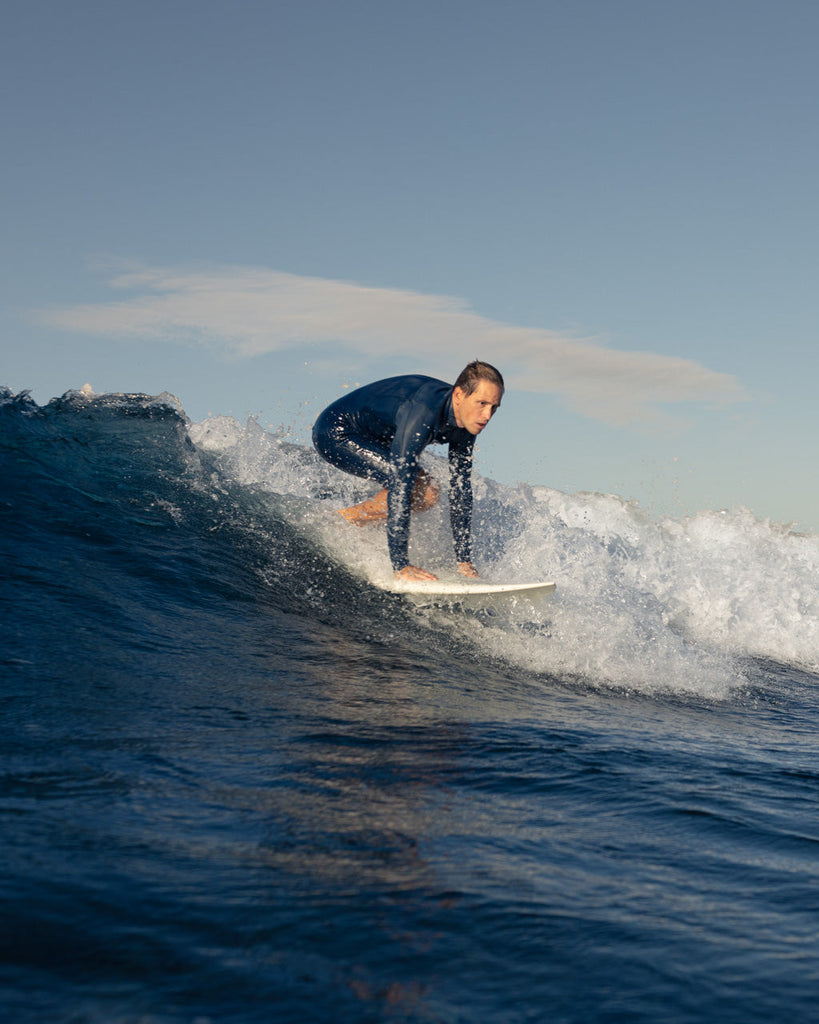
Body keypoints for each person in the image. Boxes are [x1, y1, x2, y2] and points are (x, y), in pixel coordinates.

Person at [312, 360, 504, 582]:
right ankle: (343, 521)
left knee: (429, 493)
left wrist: (464, 561)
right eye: (482, 403)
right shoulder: (423, 412)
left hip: (376, 435)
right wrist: (401, 565)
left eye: (494, 407)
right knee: (411, 485)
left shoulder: (468, 423)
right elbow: (401, 484)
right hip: (336, 432)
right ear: (459, 395)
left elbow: (461, 490)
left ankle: (348, 521)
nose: (487, 415)